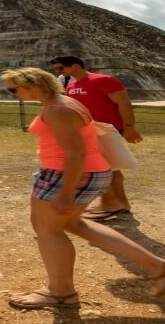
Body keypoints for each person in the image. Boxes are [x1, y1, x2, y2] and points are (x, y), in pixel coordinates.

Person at [1, 68, 165, 310]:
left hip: (67, 175)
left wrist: (66, 193)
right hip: (85, 173)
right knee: (75, 224)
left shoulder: (58, 110)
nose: (12, 94)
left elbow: (75, 152)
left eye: (14, 89)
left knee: (48, 230)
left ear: (33, 85)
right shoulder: (66, 102)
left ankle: (61, 293)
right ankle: (158, 266)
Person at [50, 56, 142, 220]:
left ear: (75, 66)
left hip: (107, 130)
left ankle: (113, 204)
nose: (59, 73)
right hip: (88, 131)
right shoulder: (71, 86)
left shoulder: (103, 80)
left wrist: (129, 127)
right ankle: (117, 203)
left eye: (61, 69)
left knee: (104, 167)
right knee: (109, 167)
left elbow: (123, 102)